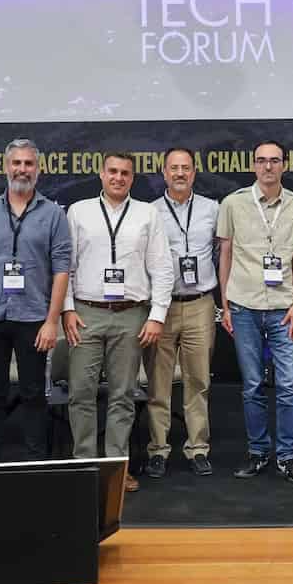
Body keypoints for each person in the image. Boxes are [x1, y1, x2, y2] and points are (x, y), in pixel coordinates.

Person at [64, 153, 174, 492]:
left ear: (132, 178)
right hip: (86, 313)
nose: (118, 177)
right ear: (101, 174)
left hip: (131, 315)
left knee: (123, 395)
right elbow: (65, 265)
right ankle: (83, 465)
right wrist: (67, 309)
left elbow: (162, 267)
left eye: (125, 173)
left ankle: (116, 468)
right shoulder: (78, 211)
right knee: (81, 392)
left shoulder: (147, 213)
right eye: (112, 171)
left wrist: (157, 316)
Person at [0, 138, 72, 461]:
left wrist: (51, 322)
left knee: (34, 393)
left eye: (28, 163)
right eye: (16, 163)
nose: (22, 169)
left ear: (38, 169)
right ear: (5, 167)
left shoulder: (53, 214)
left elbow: (62, 269)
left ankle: (36, 460)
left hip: (34, 318)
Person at [217, 140, 293, 485]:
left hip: (284, 309)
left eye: (274, 160)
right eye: (261, 160)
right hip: (243, 306)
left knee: (288, 385)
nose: (268, 166)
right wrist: (225, 305)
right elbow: (225, 255)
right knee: (253, 385)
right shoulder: (233, 203)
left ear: (284, 165)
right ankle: (258, 453)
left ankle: (286, 457)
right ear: (253, 165)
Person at [144, 146, 220, 479]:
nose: (179, 173)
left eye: (185, 168)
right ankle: (158, 450)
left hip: (200, 304)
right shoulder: (149, 212)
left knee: (198, 380)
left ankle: (198, 448)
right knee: (158, 383)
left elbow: (221, 250)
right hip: (161, 307)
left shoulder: (212, 209)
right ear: (164, 173)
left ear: (193, 172)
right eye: (173, 168)